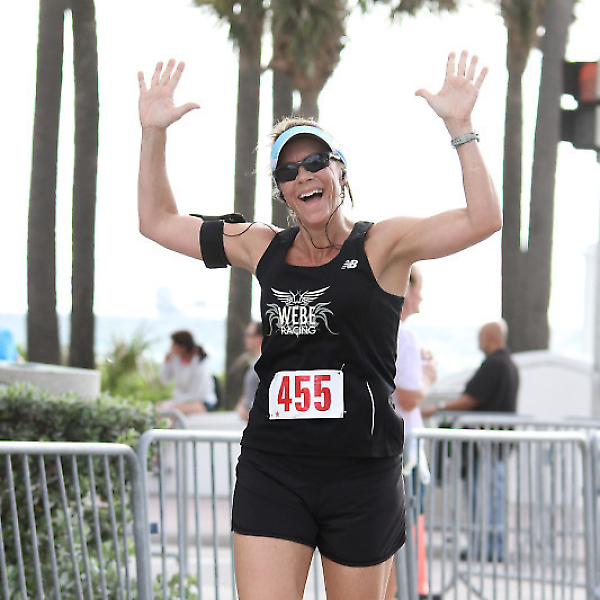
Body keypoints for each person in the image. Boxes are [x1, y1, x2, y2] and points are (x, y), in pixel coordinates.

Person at [137, 51, 502, 600]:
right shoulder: (261, 245)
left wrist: (461, 128)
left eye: (315, 162)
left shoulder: (382, 245)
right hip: (274, 468)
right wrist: (153, 133)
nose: (304, 175)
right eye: (288, 171)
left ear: (340, 171)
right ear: (281, 190)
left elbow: (483, 219)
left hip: (362, 473)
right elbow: (158, 221)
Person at [422, 319, 519, 562]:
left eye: (481, 336)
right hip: (495, 445)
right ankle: (491, 547)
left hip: (485, 445)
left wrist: (438, 408)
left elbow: (471, 398)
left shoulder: (495, 365)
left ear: (489, 337)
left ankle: (484, 548)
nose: (478, 341)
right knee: (492, 497)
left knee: (483, 498)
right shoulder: (508, 365)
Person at [386, 265, 438, 600]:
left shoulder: (384, 329)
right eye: (417, 288)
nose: (421, 296)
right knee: (400, 536)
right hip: (404, 453)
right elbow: (408, 397)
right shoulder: (403, 334)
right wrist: (428, 376)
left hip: (392, 446)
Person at [158, 330, 217, 414]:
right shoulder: (175, 360)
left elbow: (196, 393)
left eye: (174, 345)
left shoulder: (200, 362)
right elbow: (164, 379)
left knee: (171, 411)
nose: (171, 348)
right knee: (158, 408)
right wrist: (166, 363)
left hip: (202, 402)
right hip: (181, 401)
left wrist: (175, 404)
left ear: (183, 347)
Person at [236, 321, 263, 422]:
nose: (245, 339)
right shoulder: (254, 363)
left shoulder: (263, 366)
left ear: (259, 338)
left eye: (249, 335)